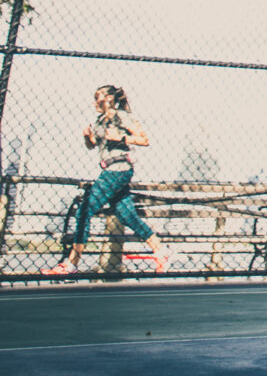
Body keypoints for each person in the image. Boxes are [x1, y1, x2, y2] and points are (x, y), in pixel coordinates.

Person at [42, 84, 172, 276]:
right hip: (111, 169)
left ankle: (71, 263)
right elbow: (94, 145)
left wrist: (121, 137)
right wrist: (87, 138)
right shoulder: (100, 120)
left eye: (98, 97)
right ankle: (161, 252)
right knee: (126, 215)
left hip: (118, 170)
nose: (95, 102)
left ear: (109, 98)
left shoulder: (121, 116)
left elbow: (144, 139)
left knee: (84, 212)